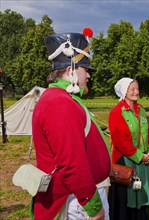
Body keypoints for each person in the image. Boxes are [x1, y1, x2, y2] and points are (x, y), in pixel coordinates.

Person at [32, 31, 111, 219]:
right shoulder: (59, 103)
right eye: (86, 69)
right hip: (77, 202)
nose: (89, 76)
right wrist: (93, 207)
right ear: (71, 69)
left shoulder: (62, 99)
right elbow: (72, 163)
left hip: (79, 198)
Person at [108, 77, 149, 220]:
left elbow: (147, 132)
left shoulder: (141, 110)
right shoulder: (116, 112)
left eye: (137, 88)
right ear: (124, 91)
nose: (136, 92)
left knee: (141, 193)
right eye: (132, 89)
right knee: (125, 199)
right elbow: (120, 141)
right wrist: (140, 156)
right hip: (125, 162)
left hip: (143, 160)